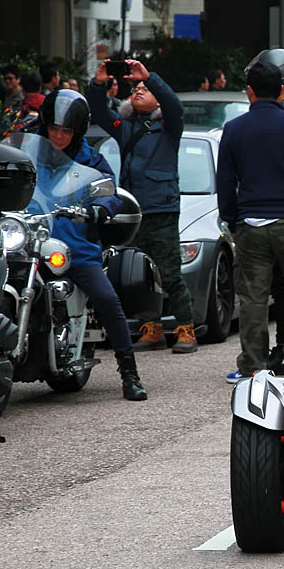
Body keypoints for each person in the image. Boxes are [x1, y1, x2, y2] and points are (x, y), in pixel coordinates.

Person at [217, 56, 284, 384]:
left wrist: (232, 220)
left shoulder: (234, 129)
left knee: (253, 296)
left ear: (249, 92)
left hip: (250, 222)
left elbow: (225, 181)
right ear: (281, 90)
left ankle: (253, 364)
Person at [38, 89, 147, 401]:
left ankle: (129, 373)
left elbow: (110, 192)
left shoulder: (92, 160)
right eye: (53, 129)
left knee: (107, 299)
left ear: (77, 132)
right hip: (34, 240)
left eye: (65, 131)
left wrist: (104, 208)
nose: (58, 136)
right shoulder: (30, 155)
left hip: (75, 245)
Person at [88, 59, 198, 354]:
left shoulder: (169, 125)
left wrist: (150, 77)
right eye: (135, 88)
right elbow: (98, 111)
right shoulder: (125, 127)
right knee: (138, 274)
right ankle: (152, 328)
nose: (138, 91)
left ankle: (185, 328)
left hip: (162, 208)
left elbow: (174, 104)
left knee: (170, 272)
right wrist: (98, 84)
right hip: (133, 211)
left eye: (145, 89)